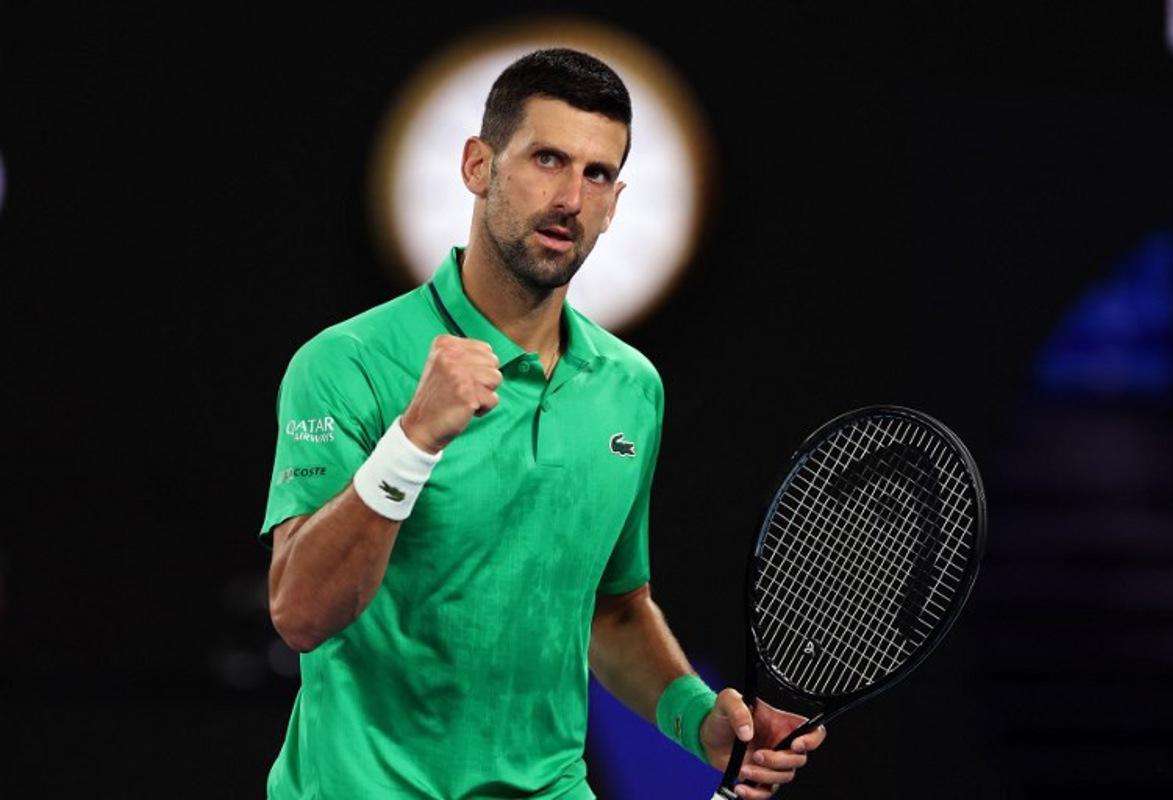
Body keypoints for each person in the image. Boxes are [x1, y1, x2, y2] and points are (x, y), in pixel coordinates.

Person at [260, 48, 825, 799]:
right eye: (547, 159)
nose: (570, 198)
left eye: (596, 175)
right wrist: (413, 439)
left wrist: (698, 719)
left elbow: (613, 608)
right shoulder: (346, 363)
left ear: (617, 202)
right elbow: (300, 615)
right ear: (477, 166)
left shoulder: (630, 390)